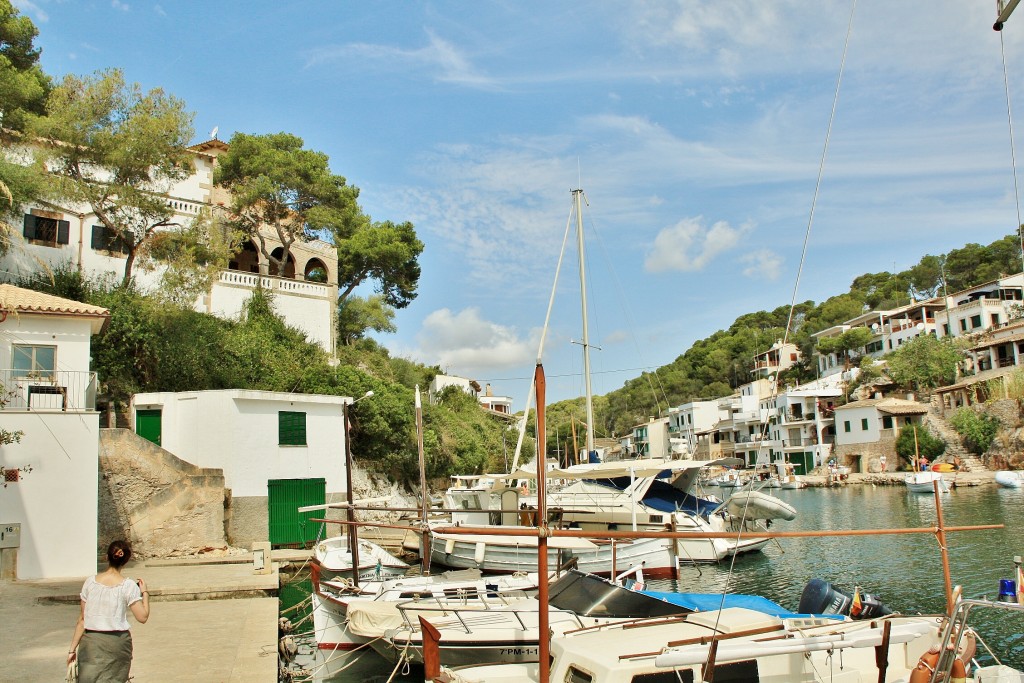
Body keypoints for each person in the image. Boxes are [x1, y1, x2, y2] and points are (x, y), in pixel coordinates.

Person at [68, 540, 151, 683]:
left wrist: (72, 650)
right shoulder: (129, 586)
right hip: (118, 643)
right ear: (126, 560)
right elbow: (142, 617)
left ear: (106, 557)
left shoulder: (90, 583)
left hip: (92, 643)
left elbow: (82, 620)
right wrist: (145, 593)